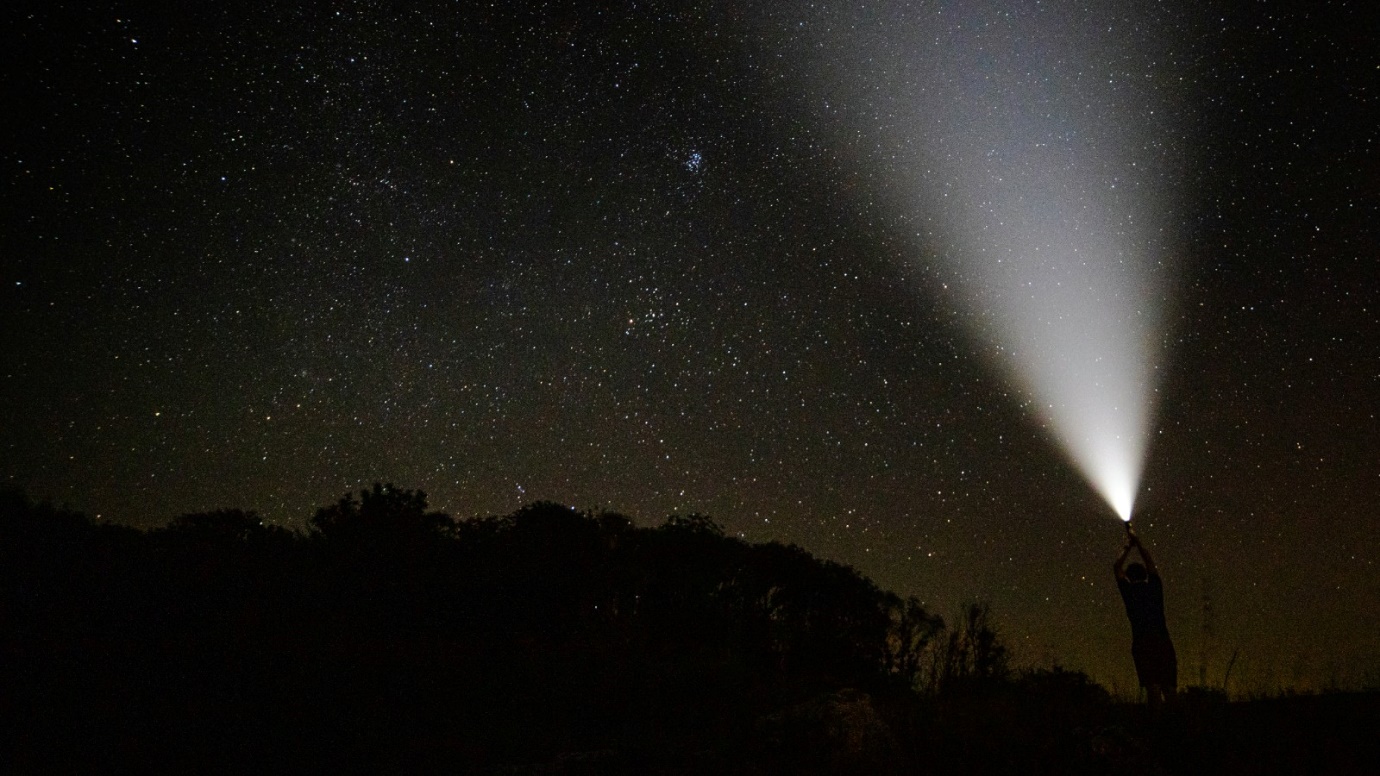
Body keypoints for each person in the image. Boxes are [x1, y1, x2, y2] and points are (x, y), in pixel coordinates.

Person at [1114, 526, 1177, 709]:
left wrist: (1127, 547)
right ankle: (1178, 723)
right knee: (1169, 688)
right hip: (1163, 640)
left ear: (1128, 577)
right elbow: (1150, 562)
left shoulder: (1129, 592)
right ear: (1144, 574)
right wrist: (1138, 543)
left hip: (1142, 642)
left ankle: (1156, 724)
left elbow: (1116, 567)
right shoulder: (1155, 587)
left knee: (1152, 688)